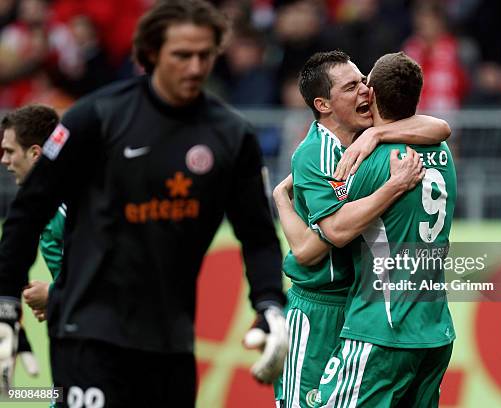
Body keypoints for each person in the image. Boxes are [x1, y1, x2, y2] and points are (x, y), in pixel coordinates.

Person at [0, 1, 287, 406]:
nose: (194, 68)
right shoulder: (94, 118)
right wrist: (7, 299)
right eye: (181, 55)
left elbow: (258, 235)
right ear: (151, 54)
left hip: (169, 340)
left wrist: (270, 303)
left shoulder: (231, 136)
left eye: (204, 55)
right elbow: (27, 212)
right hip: (90, 335)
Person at [272, 50, 451, 407]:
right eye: (352, 87)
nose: (366, 92)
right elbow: (320, 243)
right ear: (323, 104)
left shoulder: (365, 137)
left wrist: (377, 137)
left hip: (358, 306)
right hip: (320, 308)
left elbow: (440, 127)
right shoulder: (314, 154)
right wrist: (393, 187)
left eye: (364, 81)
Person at [1, 104, 64, 322]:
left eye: (10, 151)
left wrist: (53, 293)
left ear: (35, 153)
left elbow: (110, 270)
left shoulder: (71, 204)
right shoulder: (41, 204)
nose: (4, 160)